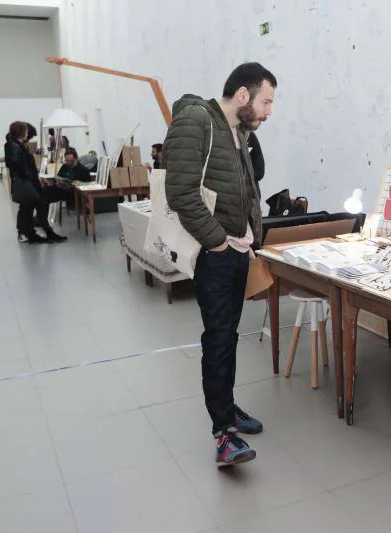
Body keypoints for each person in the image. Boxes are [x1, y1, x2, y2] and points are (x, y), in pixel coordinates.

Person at [164, 62, 275, 467]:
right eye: (266, 101)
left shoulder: (237, 131)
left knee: (228, 336)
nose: (268, 111)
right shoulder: (197, 120)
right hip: (217, 254)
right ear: (242, 94)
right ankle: (222, 434)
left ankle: (227, 408)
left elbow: (248, 184)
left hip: (237, 250)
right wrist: (216, 244)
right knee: (218, 338)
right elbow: (181, 193)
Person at [4, 121, 66, 243]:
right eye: (26, 131)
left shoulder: (18, 145)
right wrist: (28, 177)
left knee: (30, 207)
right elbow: (16, 165)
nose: (27, 134)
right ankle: (31, 233)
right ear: (22, 132)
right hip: (27, 183)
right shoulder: (15, 145)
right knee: (28, 207)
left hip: (29, 182)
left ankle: (38, 232)